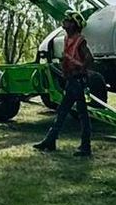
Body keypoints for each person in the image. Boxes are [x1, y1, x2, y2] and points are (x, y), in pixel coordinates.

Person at [35, 12, 97, 156]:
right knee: (65, 111)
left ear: (75, 24)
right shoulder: (67, 39)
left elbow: (89, 58)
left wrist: (80, 68)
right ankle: (51, 141)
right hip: (71, 81)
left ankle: (84, 147)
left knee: (79, 114)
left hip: (77, 81)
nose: (64, 23)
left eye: (68, 21)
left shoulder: (79, 41)